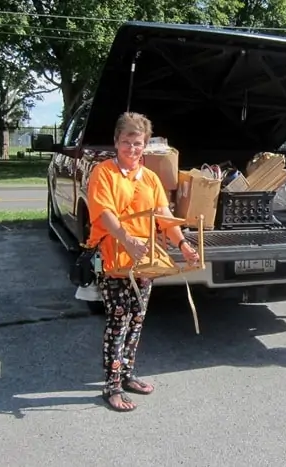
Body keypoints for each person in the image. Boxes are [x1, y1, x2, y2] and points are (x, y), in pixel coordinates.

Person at [86, 112, 200, 411]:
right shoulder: (104, 173)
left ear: (145, 145)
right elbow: (105, 214)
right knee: (118, 320)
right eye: (127, 142)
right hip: (114, 257)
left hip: (144, 260)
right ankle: (111, 386)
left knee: (137, 318)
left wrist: (183, 244)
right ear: (116, 141)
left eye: (138, 143)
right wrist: (127, 239)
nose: (132, 149)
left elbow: (164, 216)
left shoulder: (150, 178)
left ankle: (127, 374)